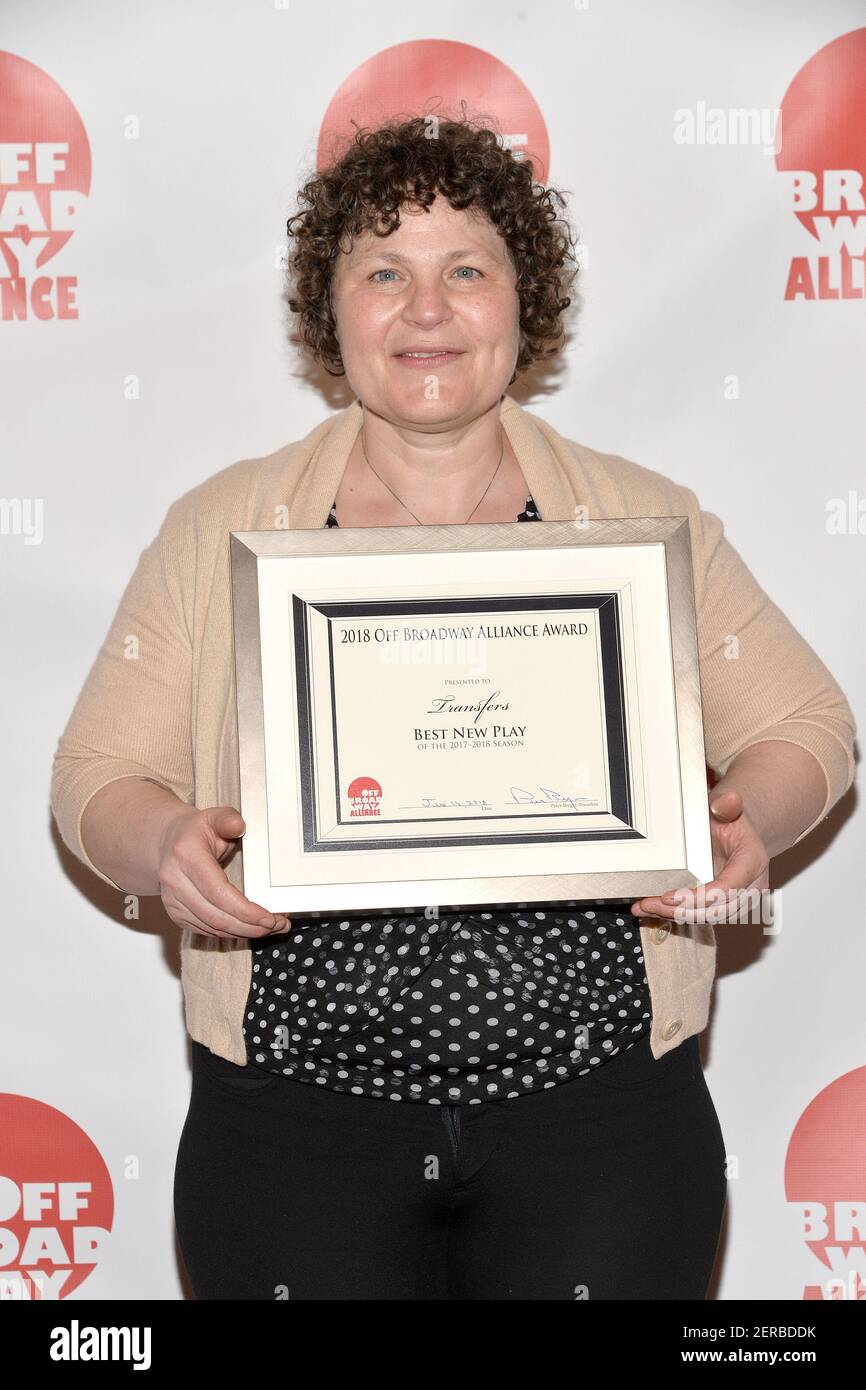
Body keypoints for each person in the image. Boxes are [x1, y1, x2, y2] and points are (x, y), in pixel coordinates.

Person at [51, 116, 856, 1301]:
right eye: (383, 272)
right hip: (294, 1130)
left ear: (524, 304)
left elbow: (807, 727)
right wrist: (162, 842)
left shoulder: (640, 522)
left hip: (599, 1124)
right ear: (328, 313)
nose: (425, 309)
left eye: (466, 270)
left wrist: (747, 824)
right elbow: (95, 777)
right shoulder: (218, 528)